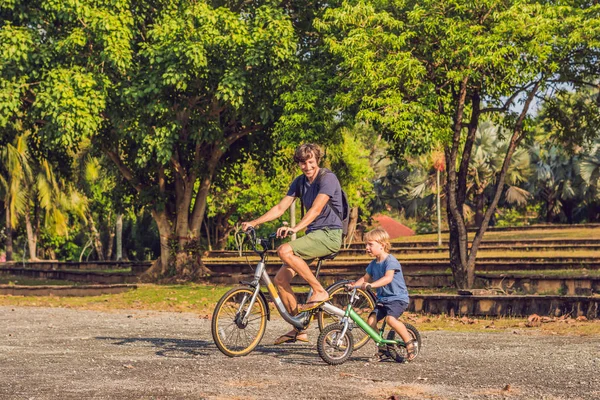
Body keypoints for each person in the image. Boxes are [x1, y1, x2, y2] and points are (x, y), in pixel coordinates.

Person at [241, 143, 344, 344]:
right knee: (280, 279)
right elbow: (280, 207)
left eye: (311, 162)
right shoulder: (299, 182)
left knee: (284, 249)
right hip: (314, 236)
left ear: (317, 160)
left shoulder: (327, 178)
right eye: (303, 163)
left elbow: (315, 209)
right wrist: (254, 222)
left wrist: (295, 229)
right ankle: (300, 328)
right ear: (299, 164)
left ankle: (319, 291)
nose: (307, 167)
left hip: (330, 234)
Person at [348, 227, 417, 361]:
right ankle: (382, 348)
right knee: (370, 322)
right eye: (366, 244)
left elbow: (388, 278)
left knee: (390, 320)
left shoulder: (390, 261)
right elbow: (365, 279)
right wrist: (353, 286)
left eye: (370, 244)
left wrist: (371, 285)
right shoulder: (373, 264)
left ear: (382, 245)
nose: (367, 248)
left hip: (397, 298)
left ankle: (409, 343)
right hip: (383, 300)